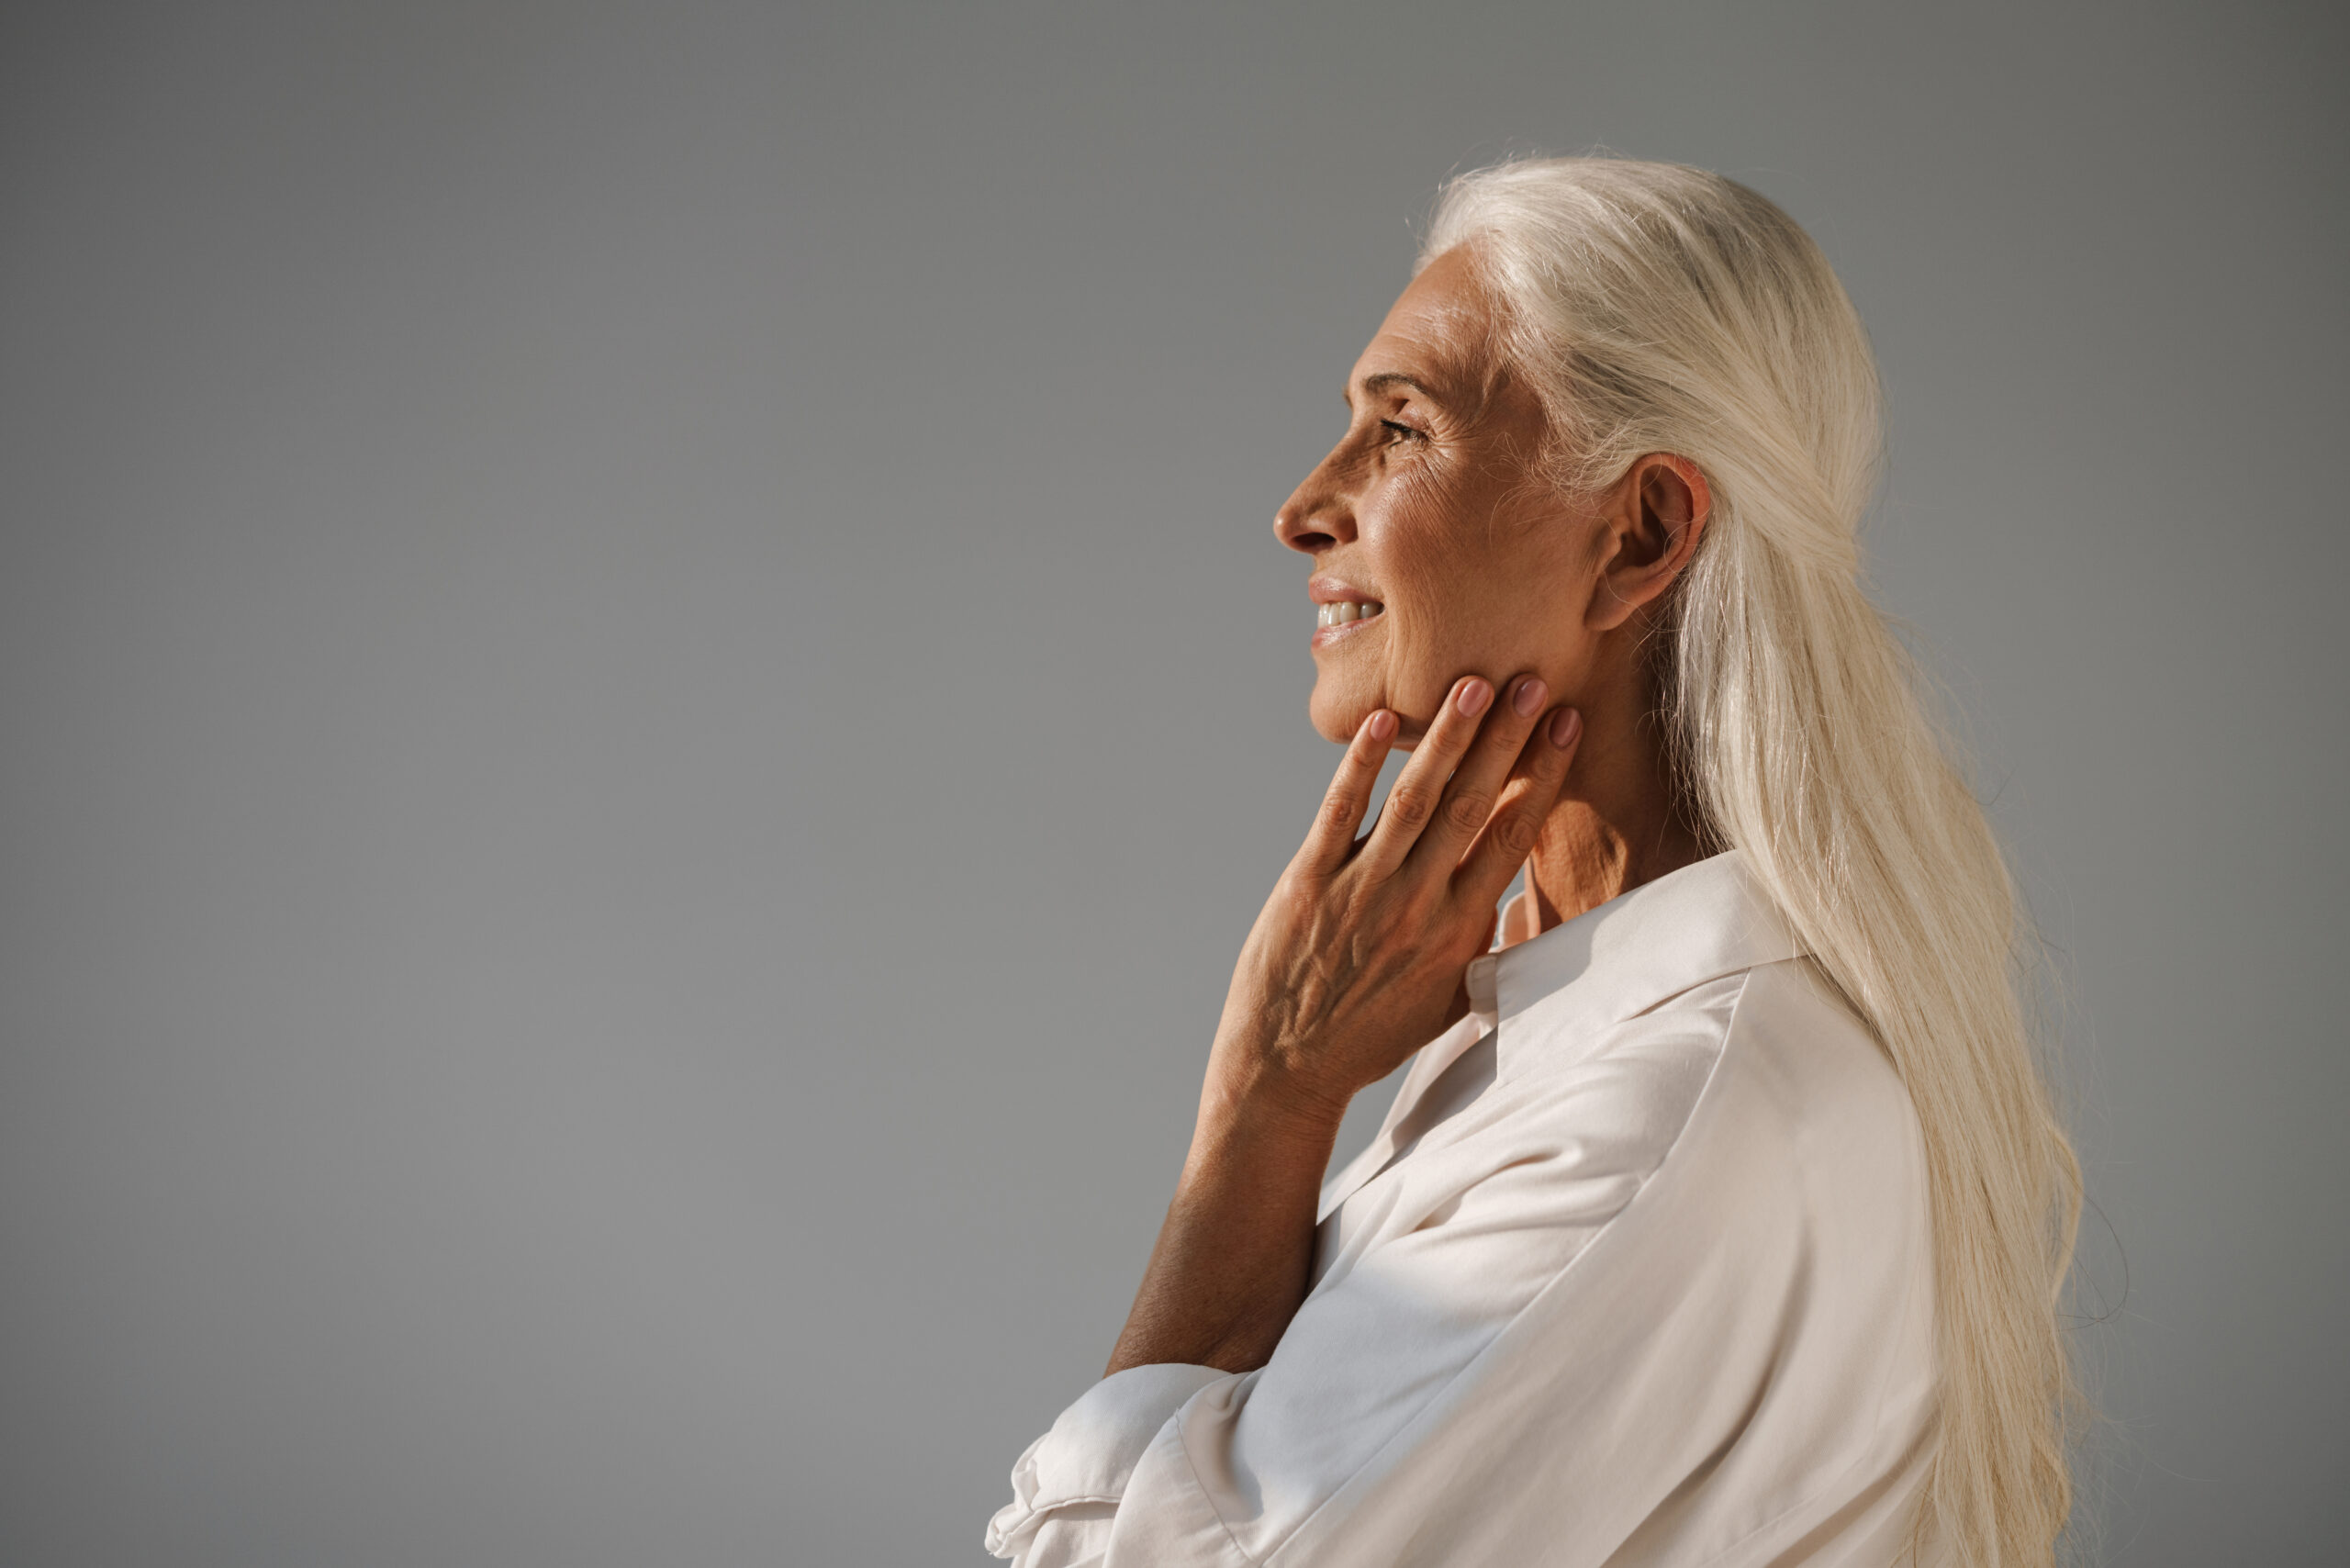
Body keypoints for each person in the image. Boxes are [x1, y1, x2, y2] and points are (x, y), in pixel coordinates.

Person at [985, 156, 2082, 1568]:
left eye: (1403, 431)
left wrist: (1265, 1097)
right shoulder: (1563, 1037)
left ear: (1641, 536)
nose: (1305, 507)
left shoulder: (1670, 1112)